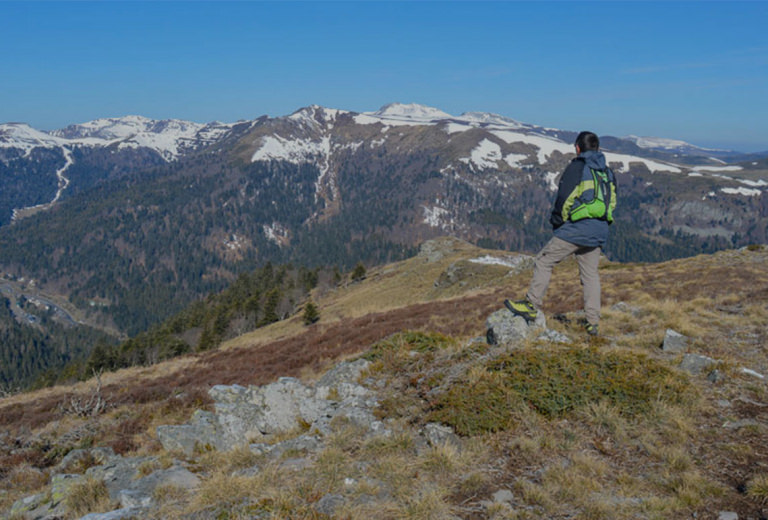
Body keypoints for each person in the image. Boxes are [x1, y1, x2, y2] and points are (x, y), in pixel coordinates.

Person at [505, 131, 617, 336]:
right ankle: (593, 322)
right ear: (597, 148)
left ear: (577, 148)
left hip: (577, 228)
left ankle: (531, 304)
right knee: (590, 274)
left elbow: (564, 198)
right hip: (599, 231)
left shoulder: (578, 167)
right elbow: (613, 201)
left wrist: (558, 222)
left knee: (544, 260)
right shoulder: (607, 172)